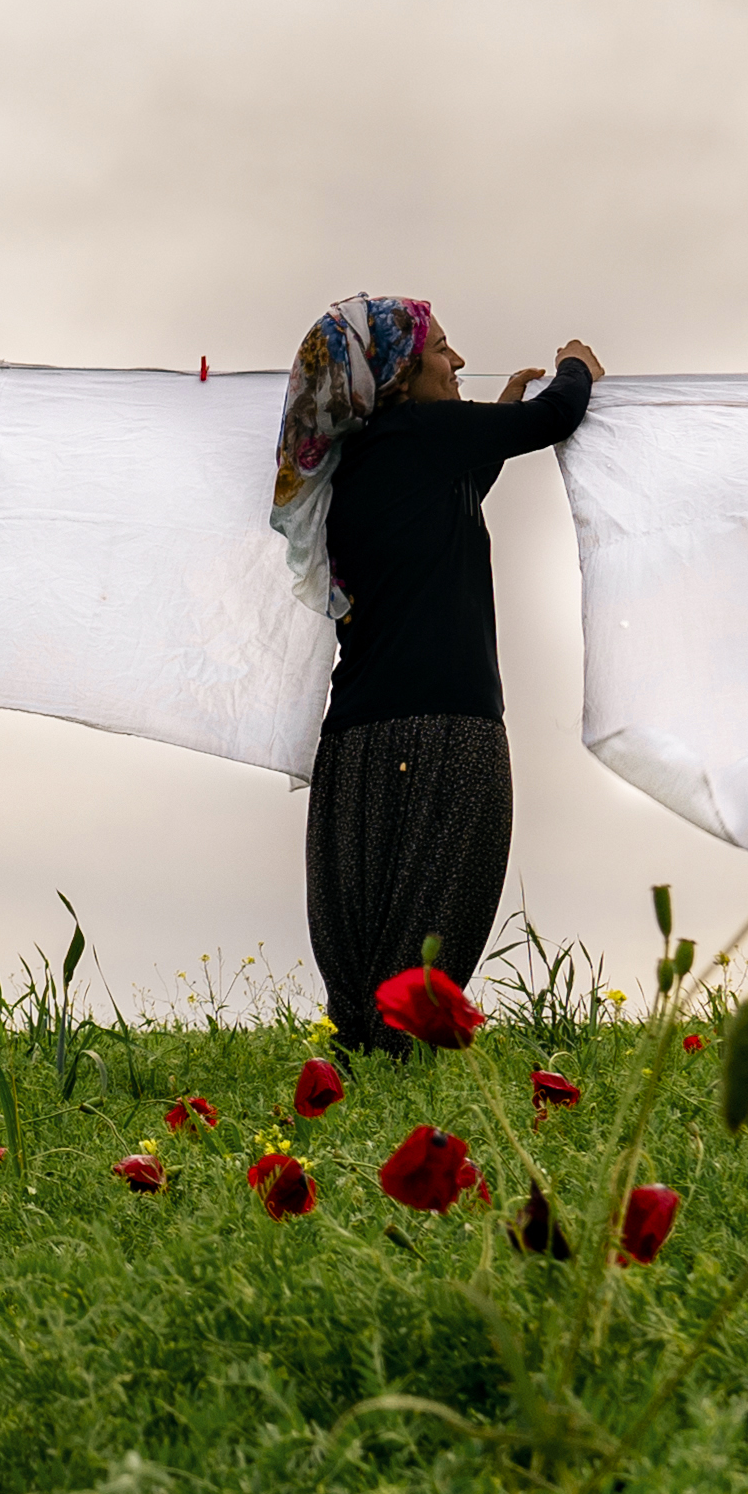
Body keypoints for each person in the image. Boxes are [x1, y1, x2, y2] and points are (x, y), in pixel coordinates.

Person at [275, 291, 599, 1046]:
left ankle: (355, 1105)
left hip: (354, 749)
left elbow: (434, 517)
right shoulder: (424, 431)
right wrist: (575, 368)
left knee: (362, 976)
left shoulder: (352, 471)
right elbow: (557, 418)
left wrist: (481, 433)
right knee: (424, 959)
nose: (457, 362)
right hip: (447, 735)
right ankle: (398, 1112)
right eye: (441, 351)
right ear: (396, 374)